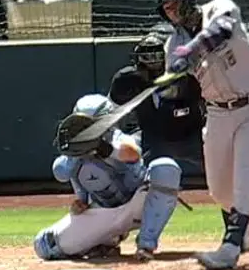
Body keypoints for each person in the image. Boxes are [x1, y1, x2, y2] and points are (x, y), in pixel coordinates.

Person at [158, 0, 249, 270]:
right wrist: (170, 80)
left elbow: (220, 32)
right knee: (220, 192)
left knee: (246, 178)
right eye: (167, 9)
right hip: (218, 113)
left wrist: (192, 52)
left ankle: (230, 247)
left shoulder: (221, 8)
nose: (173, 12)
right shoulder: (173, 43)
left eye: (175, 5)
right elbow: (177, 85)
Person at [33, 94, 184, 261]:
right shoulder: (75, 153)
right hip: (104, 212)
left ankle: (146, 244)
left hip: (138, 203)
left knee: (165, 168)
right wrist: (78, 151)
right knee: (46, 245)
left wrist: (105, 149)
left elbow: (133, 154)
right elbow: (60, 172)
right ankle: (107, 240)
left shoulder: (116, 138)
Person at [107, 24, 206, 177]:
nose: (152, 63)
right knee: (130, 168)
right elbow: (110, 112)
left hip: (191, 136)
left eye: (157, 57)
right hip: (153, 139)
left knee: (221, 163)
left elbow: (210, 104)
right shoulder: (127, 79)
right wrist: (118, 139)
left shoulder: (190, 76)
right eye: (147, 57)